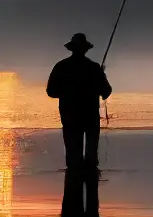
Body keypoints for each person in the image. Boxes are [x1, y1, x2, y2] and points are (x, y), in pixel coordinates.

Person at [46, 33, 112, 171]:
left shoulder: (61, 66)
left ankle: (73, 180)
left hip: (69, 116)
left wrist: (66, 92)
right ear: (86, 49)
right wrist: (101, 76)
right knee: (91, 156)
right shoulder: (94, 68)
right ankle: (90, 179)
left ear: (72, 49)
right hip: (90, 117)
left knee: (72, 155)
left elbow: (51, 91)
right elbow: (106, 91)